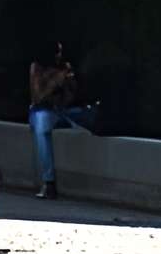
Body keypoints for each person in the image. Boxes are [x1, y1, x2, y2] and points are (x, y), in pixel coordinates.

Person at [28, 44, 105, 198]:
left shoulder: (66, 68)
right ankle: (48, 182)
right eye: (57, 52)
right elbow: (39, 97)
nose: (59, 56)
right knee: (42, 125)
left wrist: (70, 83)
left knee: (90, 112)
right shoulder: (37, 68)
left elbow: (72, 97)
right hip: (43, 111)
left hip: (64, 111)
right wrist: (57, 78)